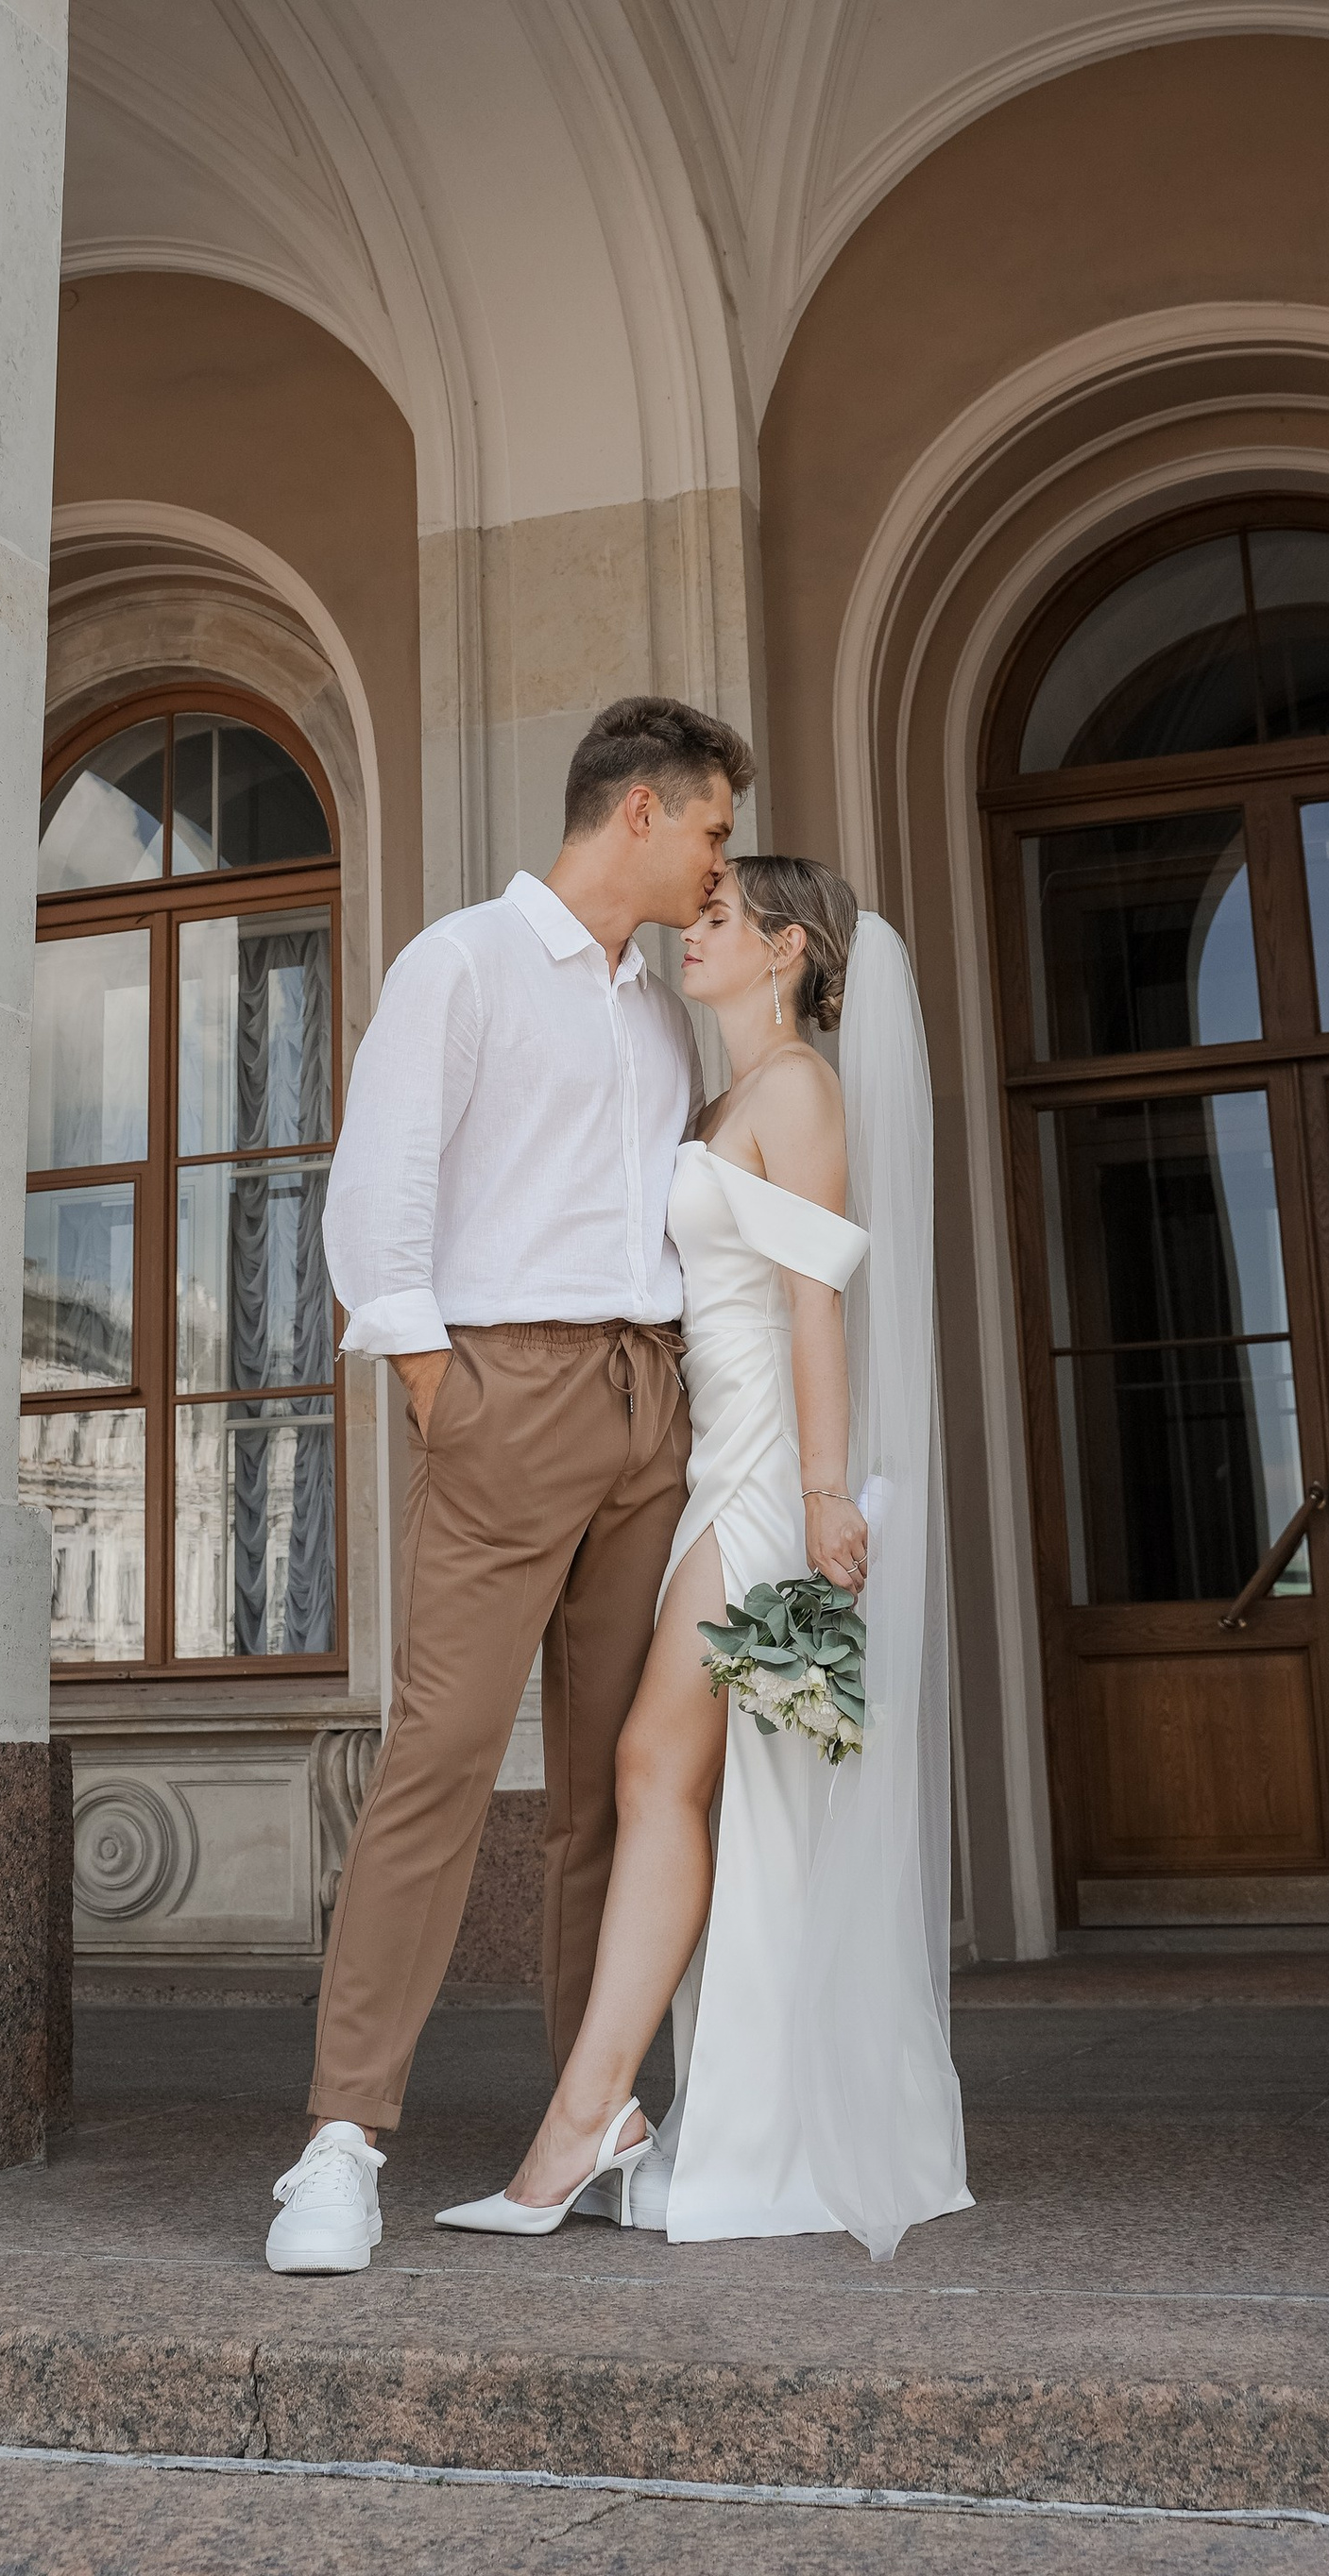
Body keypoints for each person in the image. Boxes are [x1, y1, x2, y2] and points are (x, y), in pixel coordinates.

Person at [263, 694, 754, 2277]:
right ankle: (340, 2142)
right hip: (505, 1392)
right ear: (640, 813)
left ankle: (595, 2111)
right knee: (444, 1760)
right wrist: (443, 1396)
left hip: (643, 1400)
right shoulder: (460, 963)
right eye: (713, 831)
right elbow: (375, 1200)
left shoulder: (657, 1016)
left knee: (616, 1779)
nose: (718, 864)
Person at [434, 857, 970, 2259]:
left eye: (722, 917)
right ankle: (637, 2115)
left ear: (784, 950)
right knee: (703, 1785)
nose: (696, 929)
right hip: (713, 1471)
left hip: (765, 1486)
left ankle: (595, 2123)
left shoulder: (795, 1090)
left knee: (663, 1772)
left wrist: (820, 1491)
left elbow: (814, 1311)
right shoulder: (727, 1095)